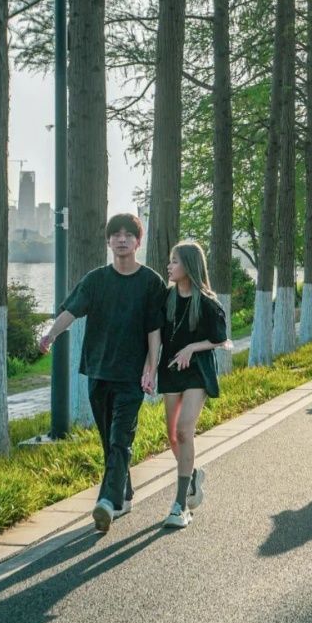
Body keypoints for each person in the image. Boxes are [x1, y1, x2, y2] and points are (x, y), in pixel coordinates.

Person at [39, 213, 166, 534]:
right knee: (108, 440)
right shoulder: (96, 280)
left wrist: (150, 369)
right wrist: (51, 334)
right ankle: (123, 491)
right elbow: (71, 310)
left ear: (139, 241)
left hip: (131, 377)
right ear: (108, 241)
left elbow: (155, 330)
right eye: (115, 234)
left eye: (128, 235)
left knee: (120, 439)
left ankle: (106, 502)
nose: (121, 239)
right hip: (98, 372)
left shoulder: (151, 282)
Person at [158, 240, 232, 528]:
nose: (169, 266)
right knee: (172, 436)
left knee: (184, 430)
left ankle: (179, 506)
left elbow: (221, 338)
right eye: (170, 261)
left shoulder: (209, 302)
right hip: (170, 371)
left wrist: (192, 348)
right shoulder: (166, 298)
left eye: (174, 261)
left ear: (189, 266)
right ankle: (193, 475)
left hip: (197, 372)